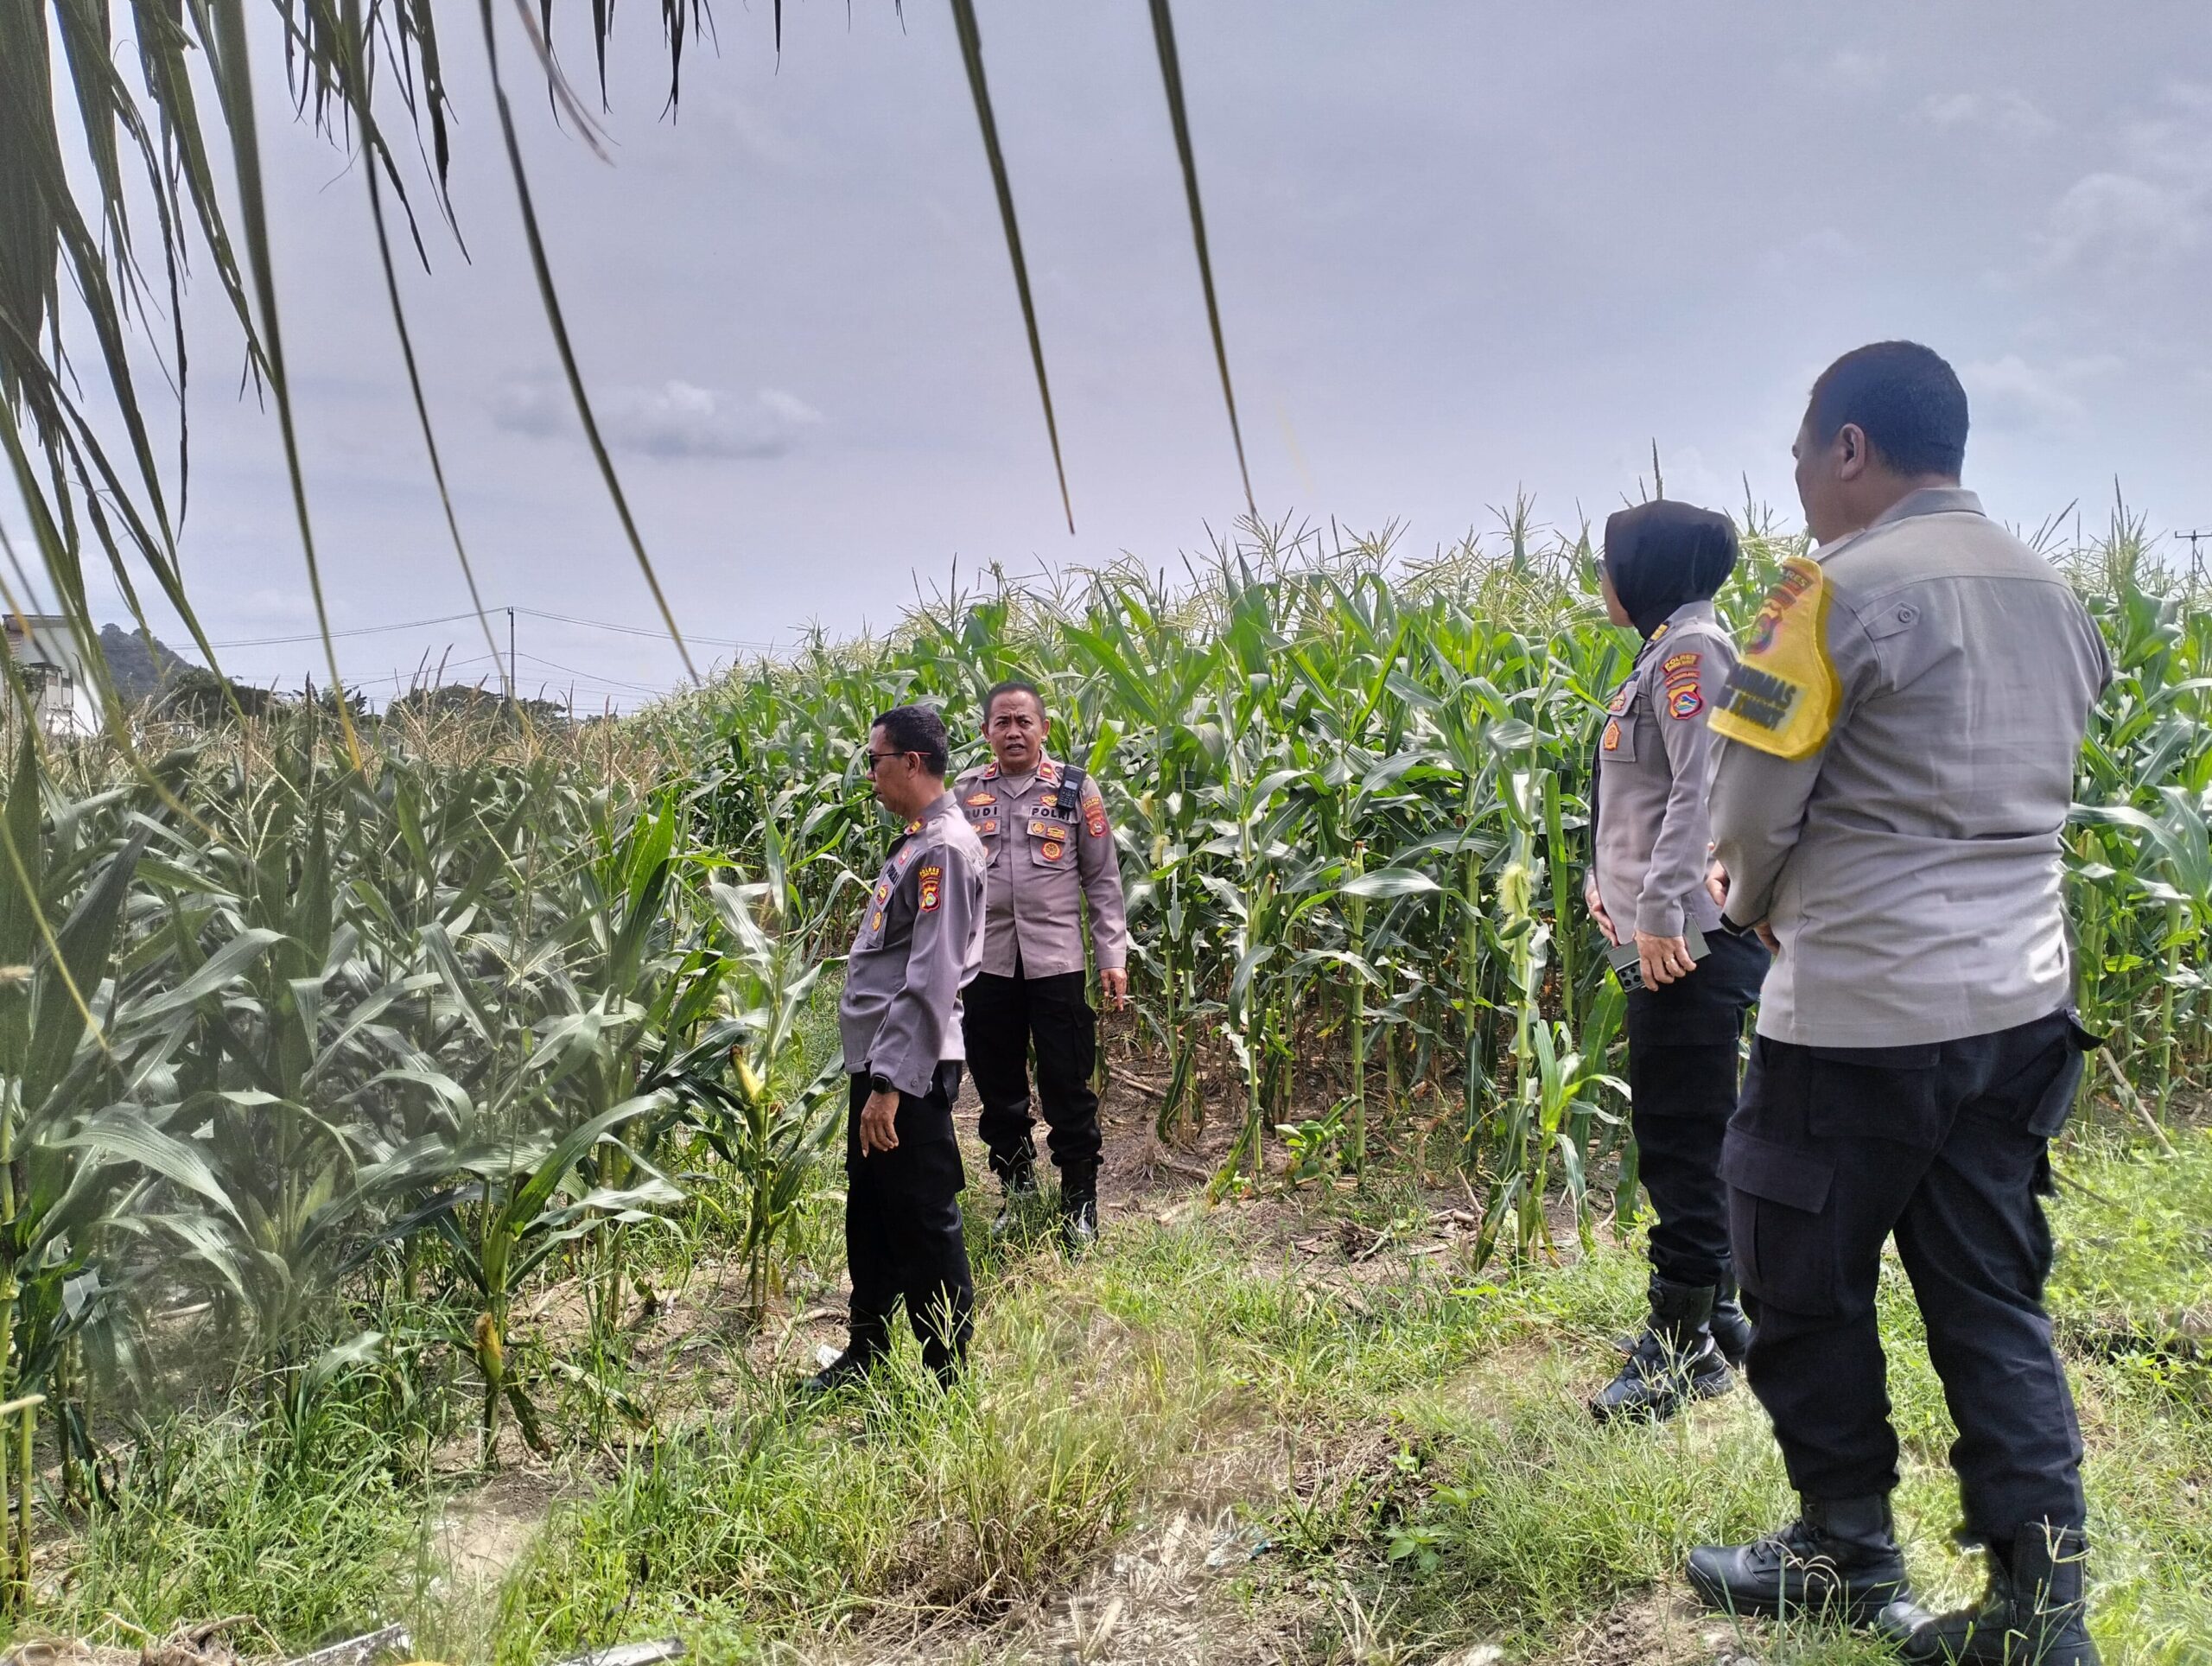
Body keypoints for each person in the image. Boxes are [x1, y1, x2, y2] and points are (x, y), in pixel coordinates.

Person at [1687, 341, 2111, 1666]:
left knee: (1797, 1275)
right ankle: (2044, 1615)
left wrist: (1753, 904)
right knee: (1991, 1294)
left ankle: (1844, 1551)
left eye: (1807, 455)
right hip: (2020, 1004)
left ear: (1854, 447)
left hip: (1864, 1015)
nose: (1803, 484)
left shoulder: (1827, 592)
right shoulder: (2054, 594)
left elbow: (1747, 818)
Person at [1583, 499, 1770, 1423]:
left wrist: (1655, 906)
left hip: (1685, 941)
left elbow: (1700, 791)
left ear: (1651, 566)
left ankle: (1682, 1344)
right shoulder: (1666, 652)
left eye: (1610, 560)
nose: (1600, 577)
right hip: (1660, 931)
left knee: (1680, 1135)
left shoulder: (1694, 653)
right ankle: (1720, 1311)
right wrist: (1605, 886)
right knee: (1692, 1123)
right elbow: (1637, 802)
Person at [810, 703, 988, 1392]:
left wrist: (890, 1084)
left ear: (912, 762)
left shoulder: (942, 847)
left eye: (877, 761)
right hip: (881, 1059)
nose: (872, 776)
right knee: (874, 1211)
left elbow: (932, 975)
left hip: (905, 1068)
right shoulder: (919, 840)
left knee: (921, 1216)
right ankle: (868, 1352)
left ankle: (948, 1372)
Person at [953, 679, 1130, 1251]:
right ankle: (1018, 1188)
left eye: (1023, 721)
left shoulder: (1076, 790)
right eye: (1001, 722)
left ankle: (1079, 1202)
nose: (1013, 731)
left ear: (1044, 729)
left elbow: (1102, 880)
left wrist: (1112, 954)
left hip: (1057, 962)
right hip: (986, 964)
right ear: (985, 733)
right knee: (997, 1084)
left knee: (1066, 1083)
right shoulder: (965, 793)